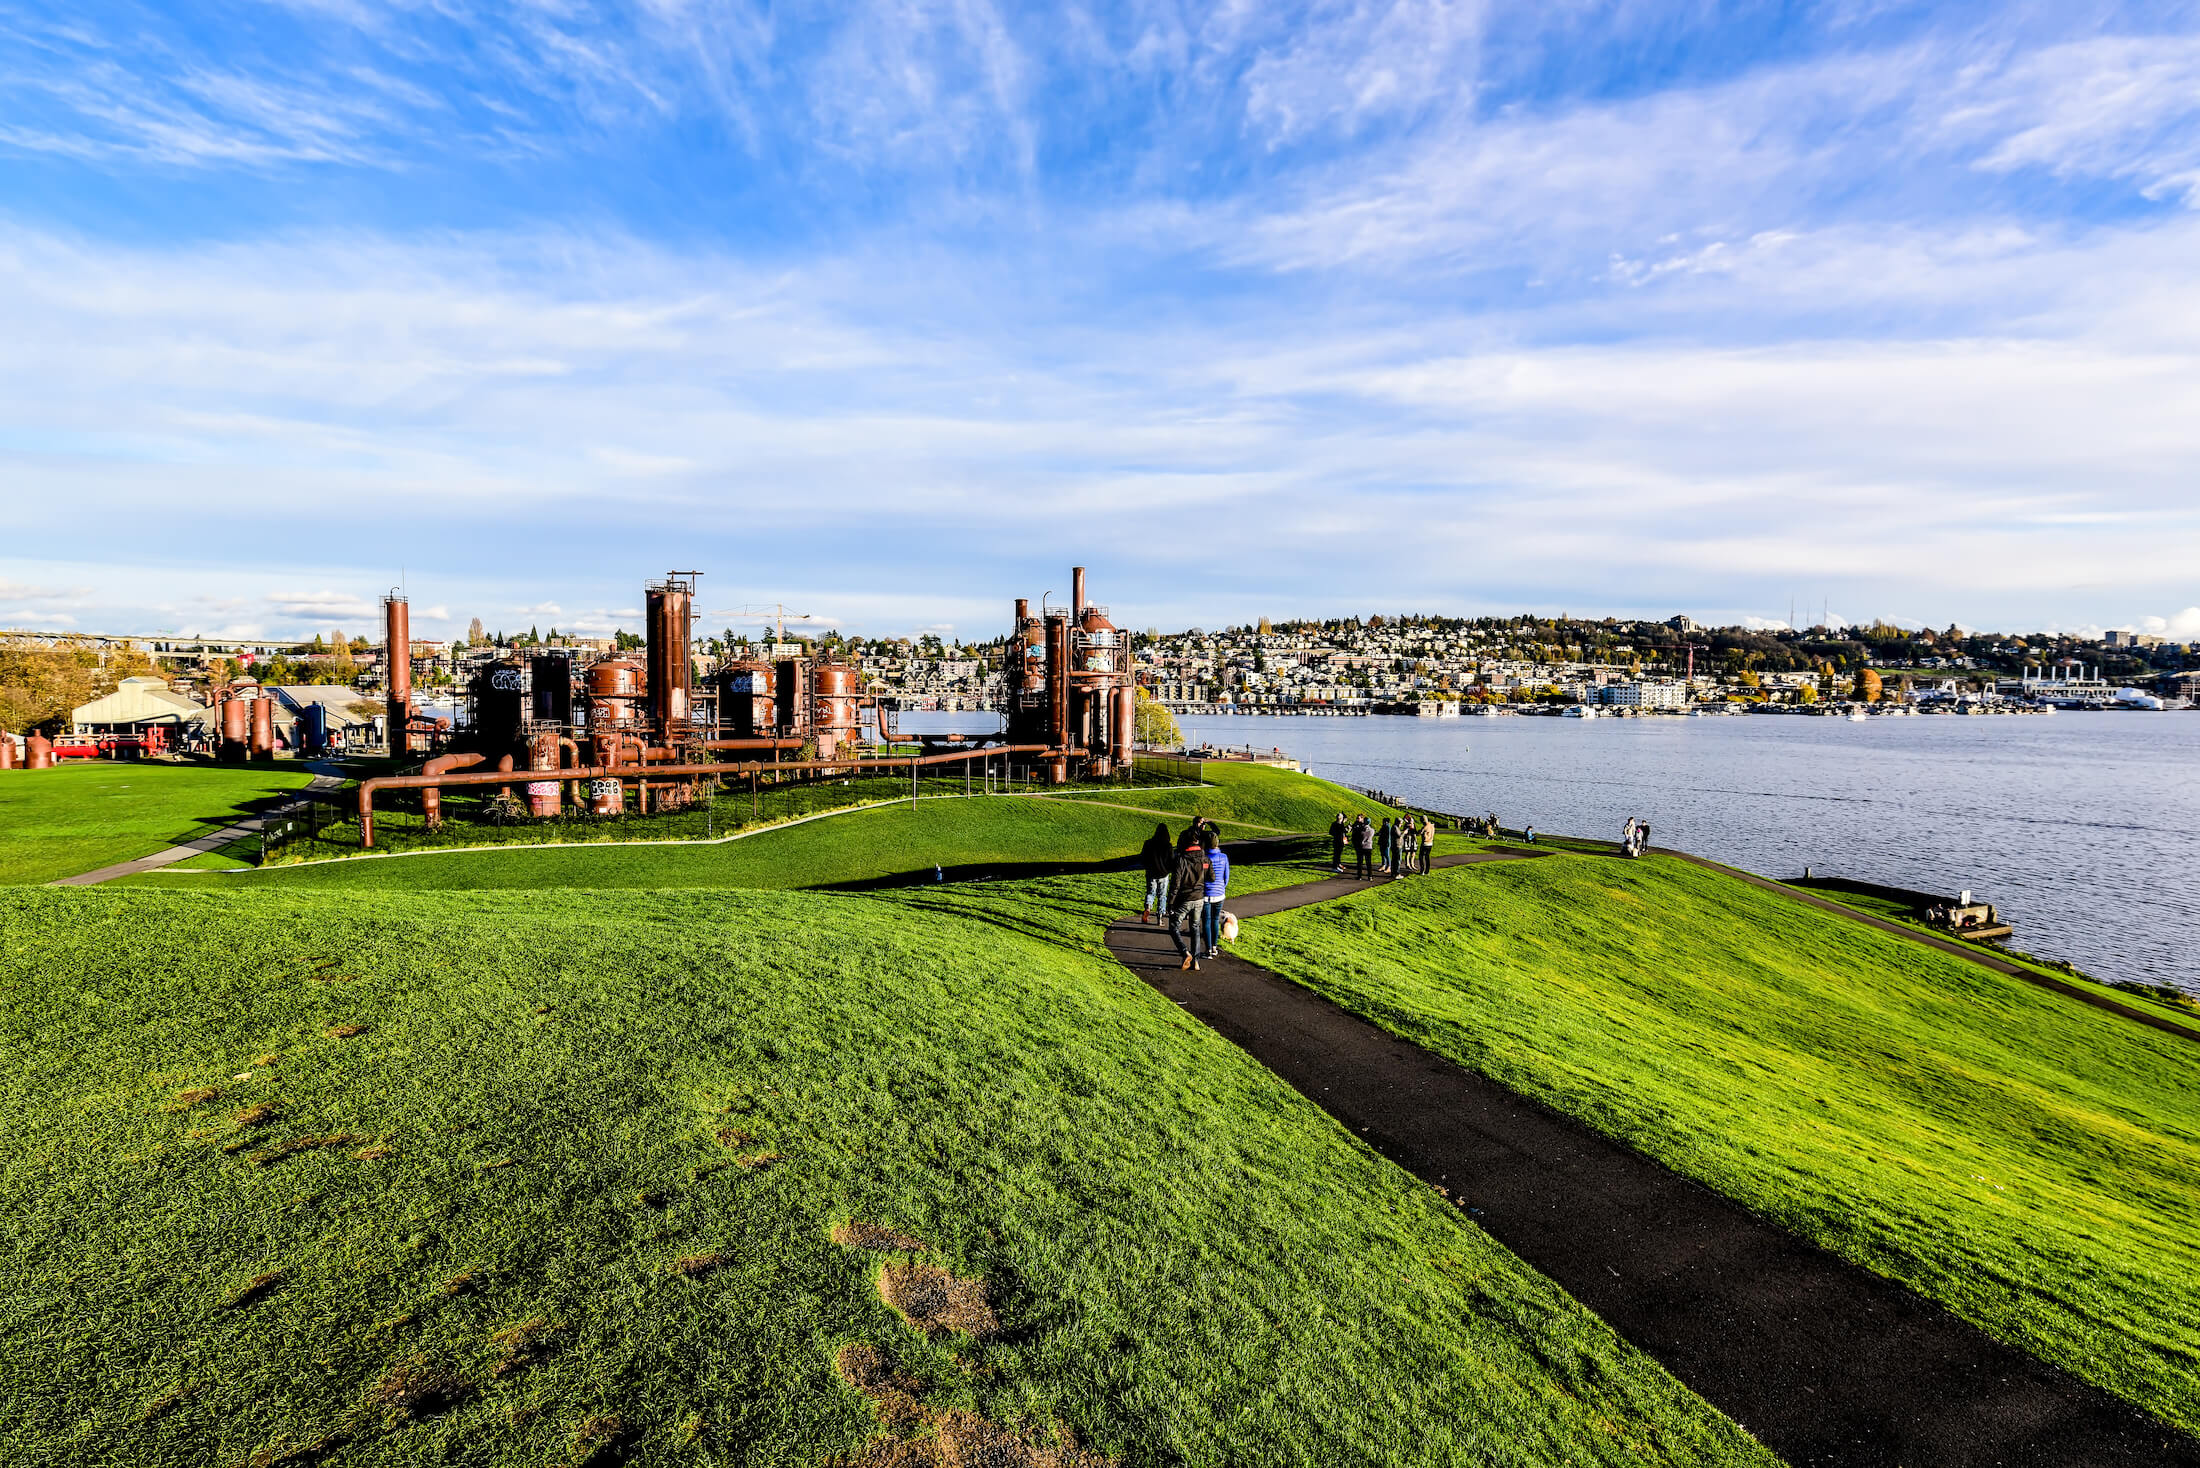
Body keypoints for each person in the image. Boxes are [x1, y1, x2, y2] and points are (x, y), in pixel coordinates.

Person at [1168, 834, 1212, 970]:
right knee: (1195, 928)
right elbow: (1212, 878)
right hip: (1199, 899)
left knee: (1174, 927)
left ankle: (1185, 952)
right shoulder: (1205, 859)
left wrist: (1170, 901)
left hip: (1184, 899)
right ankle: (1196, 961)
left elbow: (1175, 883)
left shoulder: (1181, 860)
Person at [1200, 833, 1231, 958]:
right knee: (1214, 920)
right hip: (1219, 894)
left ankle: (1208, 950)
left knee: (1206, 921)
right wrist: (1221, 888)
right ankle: (1214, 947)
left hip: (1206, 893)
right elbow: (1226, 877)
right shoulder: (1224, 857)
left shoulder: (1204, 858)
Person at [1139, 821, 1173, 924]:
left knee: (1150, 893)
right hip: (1163, 874)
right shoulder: (1168, 845)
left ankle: (1148, 907)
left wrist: (1147, 867)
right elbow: (1171, 860)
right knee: (1162, 895)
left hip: (1151, 873)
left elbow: (1143, 857)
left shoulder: (1148, 843)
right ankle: (1160, 917)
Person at [1352, 814, 1374, 879]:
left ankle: (1359, 876)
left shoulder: (1360, 830)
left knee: (1360, 862)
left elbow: (1357, 836)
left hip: (1361, 847)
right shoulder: (1372, 830)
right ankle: (1370, 876)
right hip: (1369, 847)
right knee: (1368, 862)